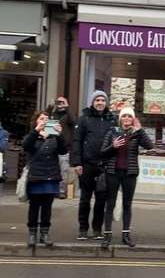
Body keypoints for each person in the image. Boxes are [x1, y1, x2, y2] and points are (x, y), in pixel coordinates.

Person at [100, 107, 154, 249]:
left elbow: (149, 146)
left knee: (127, 204)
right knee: (110, 203)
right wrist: (113, 146)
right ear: (120, 119)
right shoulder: (112, 132)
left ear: (133, 119)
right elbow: (102, 152)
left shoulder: (136, 134)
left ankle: (125, 235)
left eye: (129, 117)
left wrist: (140, 129)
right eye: (124, 116)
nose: (126, 119)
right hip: (113, 172)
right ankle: (107, 235)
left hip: (129, 173)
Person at [71, 90, 115, 240]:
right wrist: (77, 162)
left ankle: (97, 229)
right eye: (97, 100)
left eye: (103, 100)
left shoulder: (111, 119)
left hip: (104, 165)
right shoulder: (84, 119)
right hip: (87, 164)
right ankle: (83, 229)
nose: (100, 103)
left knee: (101, 199)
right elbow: (76, 141)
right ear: (92, 102)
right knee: (85, 198)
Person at [22, 111, 68, 247]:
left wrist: (59, 135)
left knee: (47, 207)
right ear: (36, 121)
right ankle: (32, 234)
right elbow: (25, 146)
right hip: (36, 176)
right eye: (41, 119)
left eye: (47, 119)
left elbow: (64, 151)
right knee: (34, 206)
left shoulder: (54, 137)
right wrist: (37, 130)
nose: (44, 121)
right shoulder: (32, 135)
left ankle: (45, 234)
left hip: (51, 176)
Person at [46, 96, 75, 198]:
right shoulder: (53, 114)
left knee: (63, 170)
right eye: (59, 102)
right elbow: (45, 119)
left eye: (62, 102)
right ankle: (51, 189)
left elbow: (74, 122)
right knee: (51, 169)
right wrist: (50, 107)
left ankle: (61, 190)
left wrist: (67, 108)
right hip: (51, 146)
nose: (60, 104)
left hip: (64, 147)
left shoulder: (68, 115)